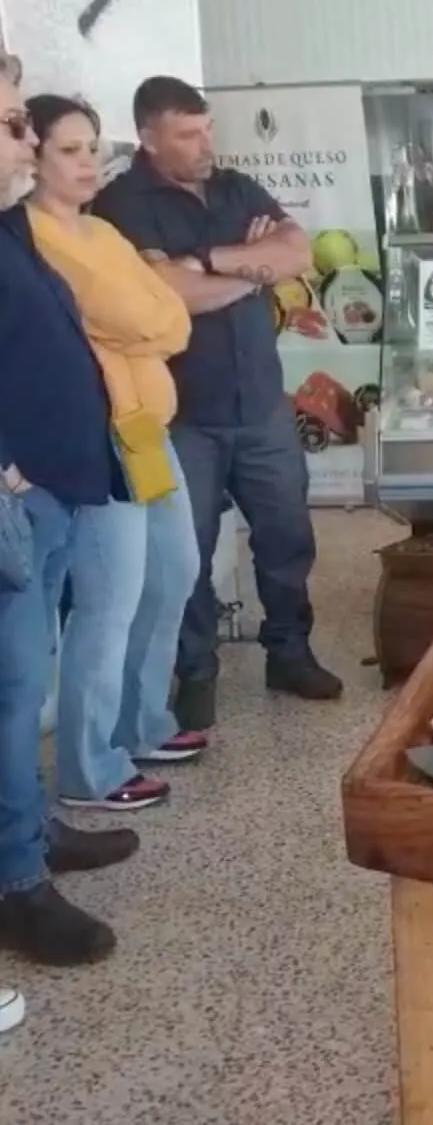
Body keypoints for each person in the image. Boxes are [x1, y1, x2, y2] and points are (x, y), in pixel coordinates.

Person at [94, 77, 342, 730]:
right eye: (188, 134)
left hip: (260, 401)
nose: (207, 144)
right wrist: (251, 270)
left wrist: (205, 261)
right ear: (148, 138)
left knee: (287, 536)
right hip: (183, 413)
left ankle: (289, 653)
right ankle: (196, 671)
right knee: (188, 553)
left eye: (208, 129)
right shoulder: (121, 205)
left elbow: (296, 251)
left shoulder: (236, 188)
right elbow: (164, 295)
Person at [26, 93, 204, 811]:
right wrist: (146, 321)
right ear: (31, 154)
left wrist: (145, 322)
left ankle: (140, 722)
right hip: (100, 437)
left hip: (147, 429)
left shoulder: (101, 231)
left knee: (175, 572)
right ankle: (89, 767)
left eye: (93, 147)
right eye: (68, 150)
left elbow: (169, 318)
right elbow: (137, 311)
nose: (87, 162)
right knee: (110, 600)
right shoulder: (34, 238)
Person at [0, 70, 139, 970]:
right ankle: (16, 883)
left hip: (51, 488)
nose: (25, 140)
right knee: (11, 694)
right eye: (13, 124)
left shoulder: (11, 231)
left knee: (24, 688)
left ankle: (31, 832)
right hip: (17, 497)